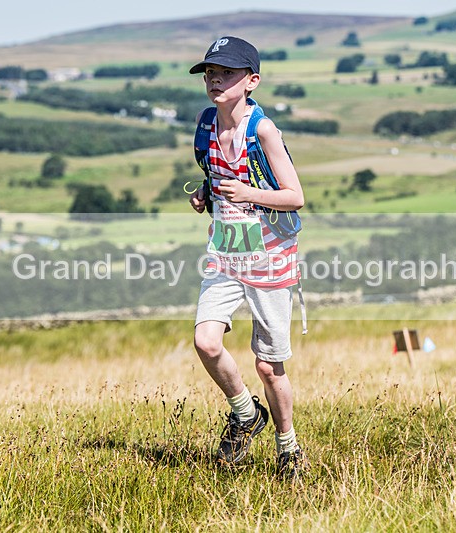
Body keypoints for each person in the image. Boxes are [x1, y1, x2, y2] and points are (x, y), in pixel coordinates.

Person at [188, 36, 307, 479]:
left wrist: (248, 193)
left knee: (268, 367)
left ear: (252, 81)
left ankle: (288, 448)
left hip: (270, 253)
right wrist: (206, 194)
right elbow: (217, 175)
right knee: (206, 341)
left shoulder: (264, 130)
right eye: (210, 73)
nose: (215, 80)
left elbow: (295, 196)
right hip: (225, 249)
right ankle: (245, 413)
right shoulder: (205, 122)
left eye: (227, 73)